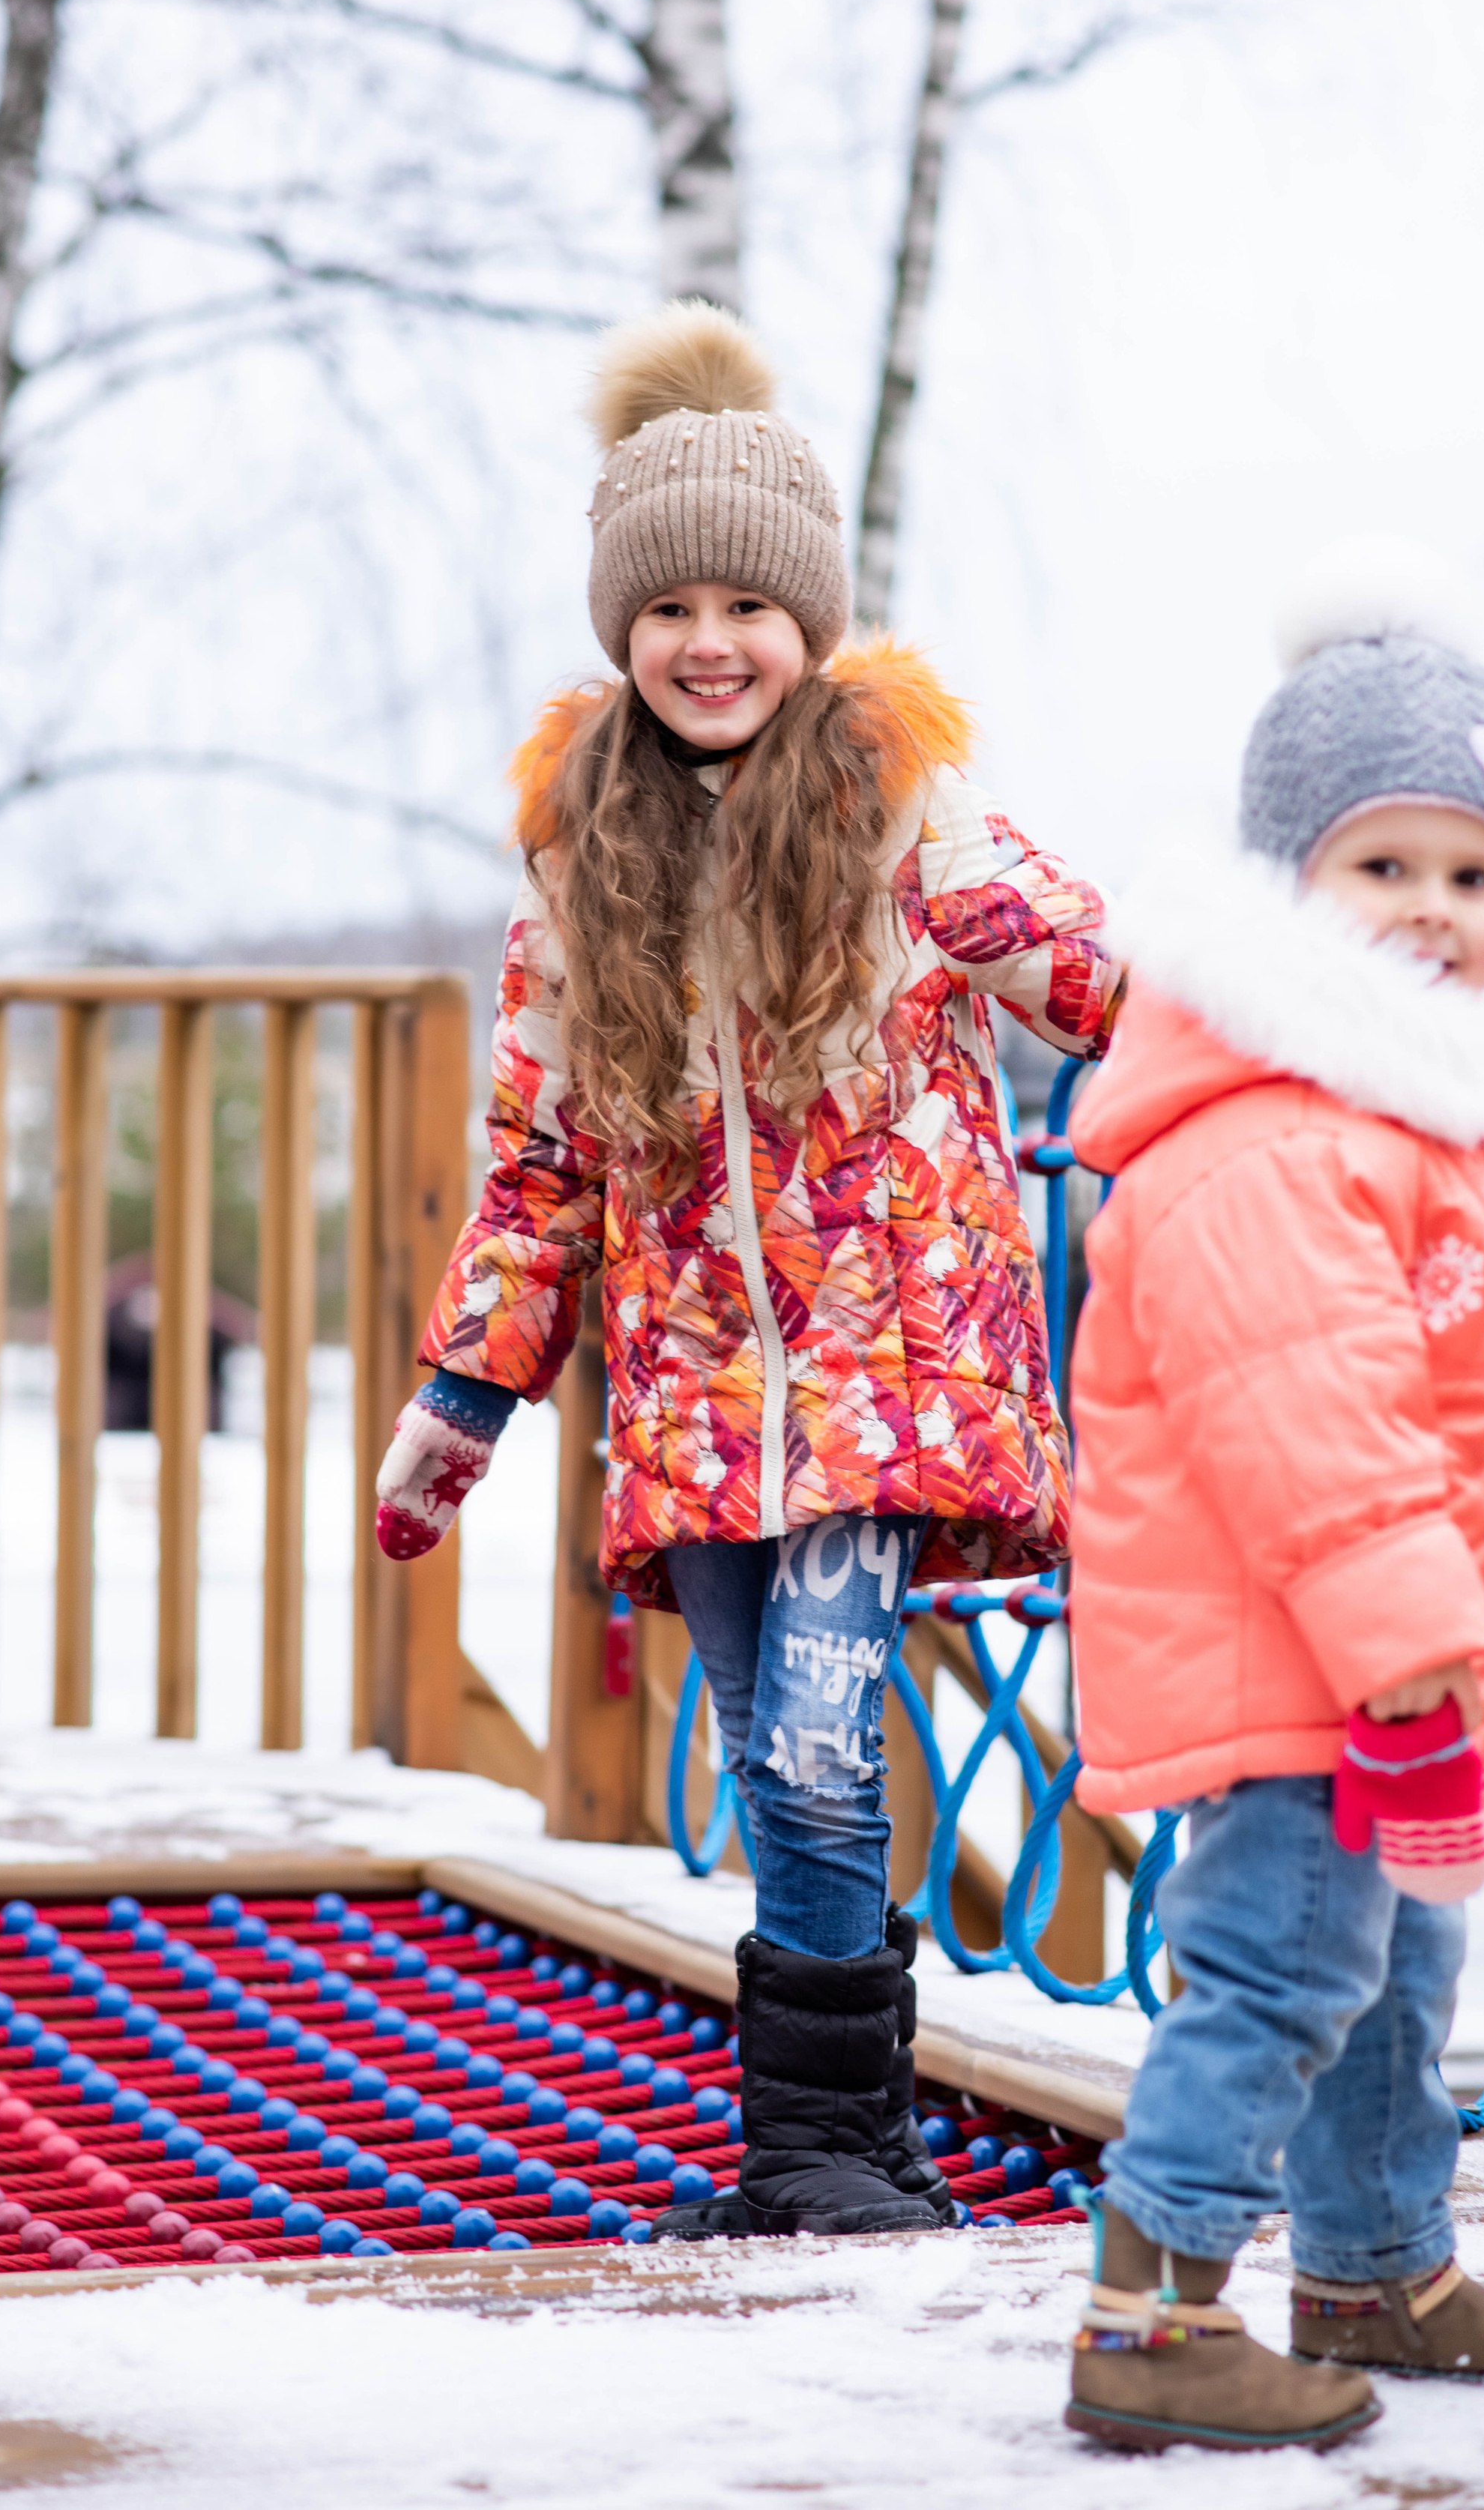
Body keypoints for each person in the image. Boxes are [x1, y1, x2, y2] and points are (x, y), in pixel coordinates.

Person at [375, 299, 1117, 2239]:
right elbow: (543, 1156)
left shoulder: (903, 802)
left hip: (893, 1367)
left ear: (815, 622)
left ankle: (823, 2157)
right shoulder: (586, 857)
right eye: (671, 605)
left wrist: (991, 902)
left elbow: (1095, 981)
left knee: (809, 1747)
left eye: (751, 605)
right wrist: (466, 1393)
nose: (712, 640)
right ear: (622, 630)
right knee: (767, 1752)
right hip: (699, 1395)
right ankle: (835, 2151)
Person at [1059, 566, 1484, 2452]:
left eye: (1470, 875)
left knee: (1392, 1970)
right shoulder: (1274, 1125)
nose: (1432, 913)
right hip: (1309, 1650)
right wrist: (1404, 1655)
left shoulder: (1395, 1110)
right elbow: (1308, 1417)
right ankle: (1147, 2311)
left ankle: (1372, 2265)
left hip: (1372, 1646)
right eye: (1383, 870)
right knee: (1282, 1971)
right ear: (1290, 882)